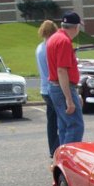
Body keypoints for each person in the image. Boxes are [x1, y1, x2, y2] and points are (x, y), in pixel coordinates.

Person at [46, 11, 84, 145]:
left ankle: (61, 158)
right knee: (75, 127)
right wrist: (69, 98)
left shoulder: (54, 38)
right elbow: (61, 70)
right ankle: (68, 161)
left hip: (55, 87)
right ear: (76, 27)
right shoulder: (64, 41)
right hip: (62, 88)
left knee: (64, 126)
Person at [35, 20, 60, 157]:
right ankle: (58, 148)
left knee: (51, 122)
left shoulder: (39, 47)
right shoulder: (51, 47)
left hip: (43, 88)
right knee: (62, 121)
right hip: (53, 87)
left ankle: (52, 149)